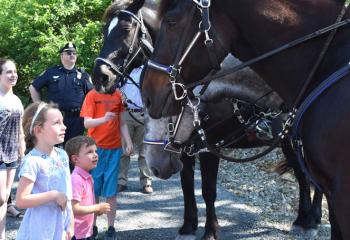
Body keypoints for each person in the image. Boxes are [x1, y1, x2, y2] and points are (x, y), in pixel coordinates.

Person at [15, 102, 73, 240]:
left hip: (61, 226)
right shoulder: (32, 161)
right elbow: (21, 201)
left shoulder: (62, 155)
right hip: (39, 229)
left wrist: (70, 223)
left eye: (63, 122)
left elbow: (67, 193)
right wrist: (53, 195)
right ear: (38, 130)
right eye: (57, 123)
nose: (64, 127)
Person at [80, 87, 133, 239]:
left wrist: (128, 142)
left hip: (114, 149)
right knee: (94, 190)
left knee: (111, 192)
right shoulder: (91, 95)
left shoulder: (117, 94)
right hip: (94, 150)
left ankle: (111, 228)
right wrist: (103, 119)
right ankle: (92, 226)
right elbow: (87, 123)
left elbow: (122, 123)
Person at [28, 42, 93, 147]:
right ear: (62, 56)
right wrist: (40, 108)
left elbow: (92, 95)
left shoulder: (83, 75)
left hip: (76, 120)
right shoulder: (51, 72)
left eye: (74, 53)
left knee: (73, 151)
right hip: (54, 119)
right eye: (68, 53)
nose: (72, 55)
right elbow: (33, 88)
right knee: (52, 150)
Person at [65, 136, 111, 240]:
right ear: (75, 159)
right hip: (76, 234)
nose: (95, 155)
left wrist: (96, 210)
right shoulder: (76, 179)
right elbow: (74, 208)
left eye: (95, 151)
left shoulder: (88, 177)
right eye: (89, 152)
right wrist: (97, 208)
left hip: (86, 232)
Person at [0, 58, 25, 239]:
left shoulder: (16, 99)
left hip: (12, 153)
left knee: (4, 199)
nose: (13, 75)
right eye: (8, 71)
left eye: (15, 71)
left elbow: (20, 129)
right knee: (1, 197)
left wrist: (22, 151)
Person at [118, 65, 153, 194]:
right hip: (126, 112)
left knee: (144, 150)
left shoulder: (148, 69)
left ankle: (146, 181)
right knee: (124, 150)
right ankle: (121, 181)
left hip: (143, 112)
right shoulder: (123, 70)